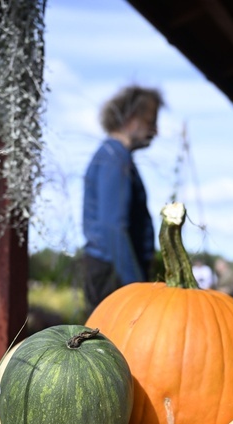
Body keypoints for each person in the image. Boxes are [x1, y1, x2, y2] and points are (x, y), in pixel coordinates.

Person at [82, 85, 165, 314]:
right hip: (112, 275)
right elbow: (113, 227)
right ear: (132, 119)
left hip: (112, 272)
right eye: (151, 122)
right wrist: (136, 287)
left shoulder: (115, 156)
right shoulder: (114, 158)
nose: (155, 131)